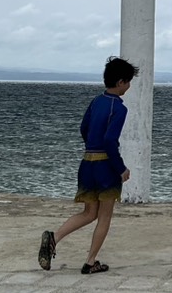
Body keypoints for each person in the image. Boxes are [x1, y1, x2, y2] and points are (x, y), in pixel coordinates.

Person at [38, 56, 137, 274]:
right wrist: (121, 168)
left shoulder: (96, 102)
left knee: (89, 213)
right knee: (104, 216)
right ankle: (91, 262)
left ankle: (54, 237)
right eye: (128, 82)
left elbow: (84, 128)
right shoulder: (119, 109)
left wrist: (92, 148)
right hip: (106, 168)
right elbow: (110, 141)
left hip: (87, 164)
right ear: (120, 82)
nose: (129, 86)